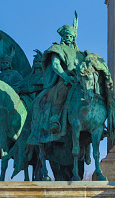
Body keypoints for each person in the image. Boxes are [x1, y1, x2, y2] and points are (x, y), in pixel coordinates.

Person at [28, 12, 85, 146]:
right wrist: (65, 77)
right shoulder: (57, 48)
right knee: (62, 91)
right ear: (63, 37)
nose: (69, 38)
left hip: (80, 80)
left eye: (71, 36)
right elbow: (55, 65)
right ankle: (55, 119)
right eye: (67, 36)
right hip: (64, 79)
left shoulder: (79, 53)